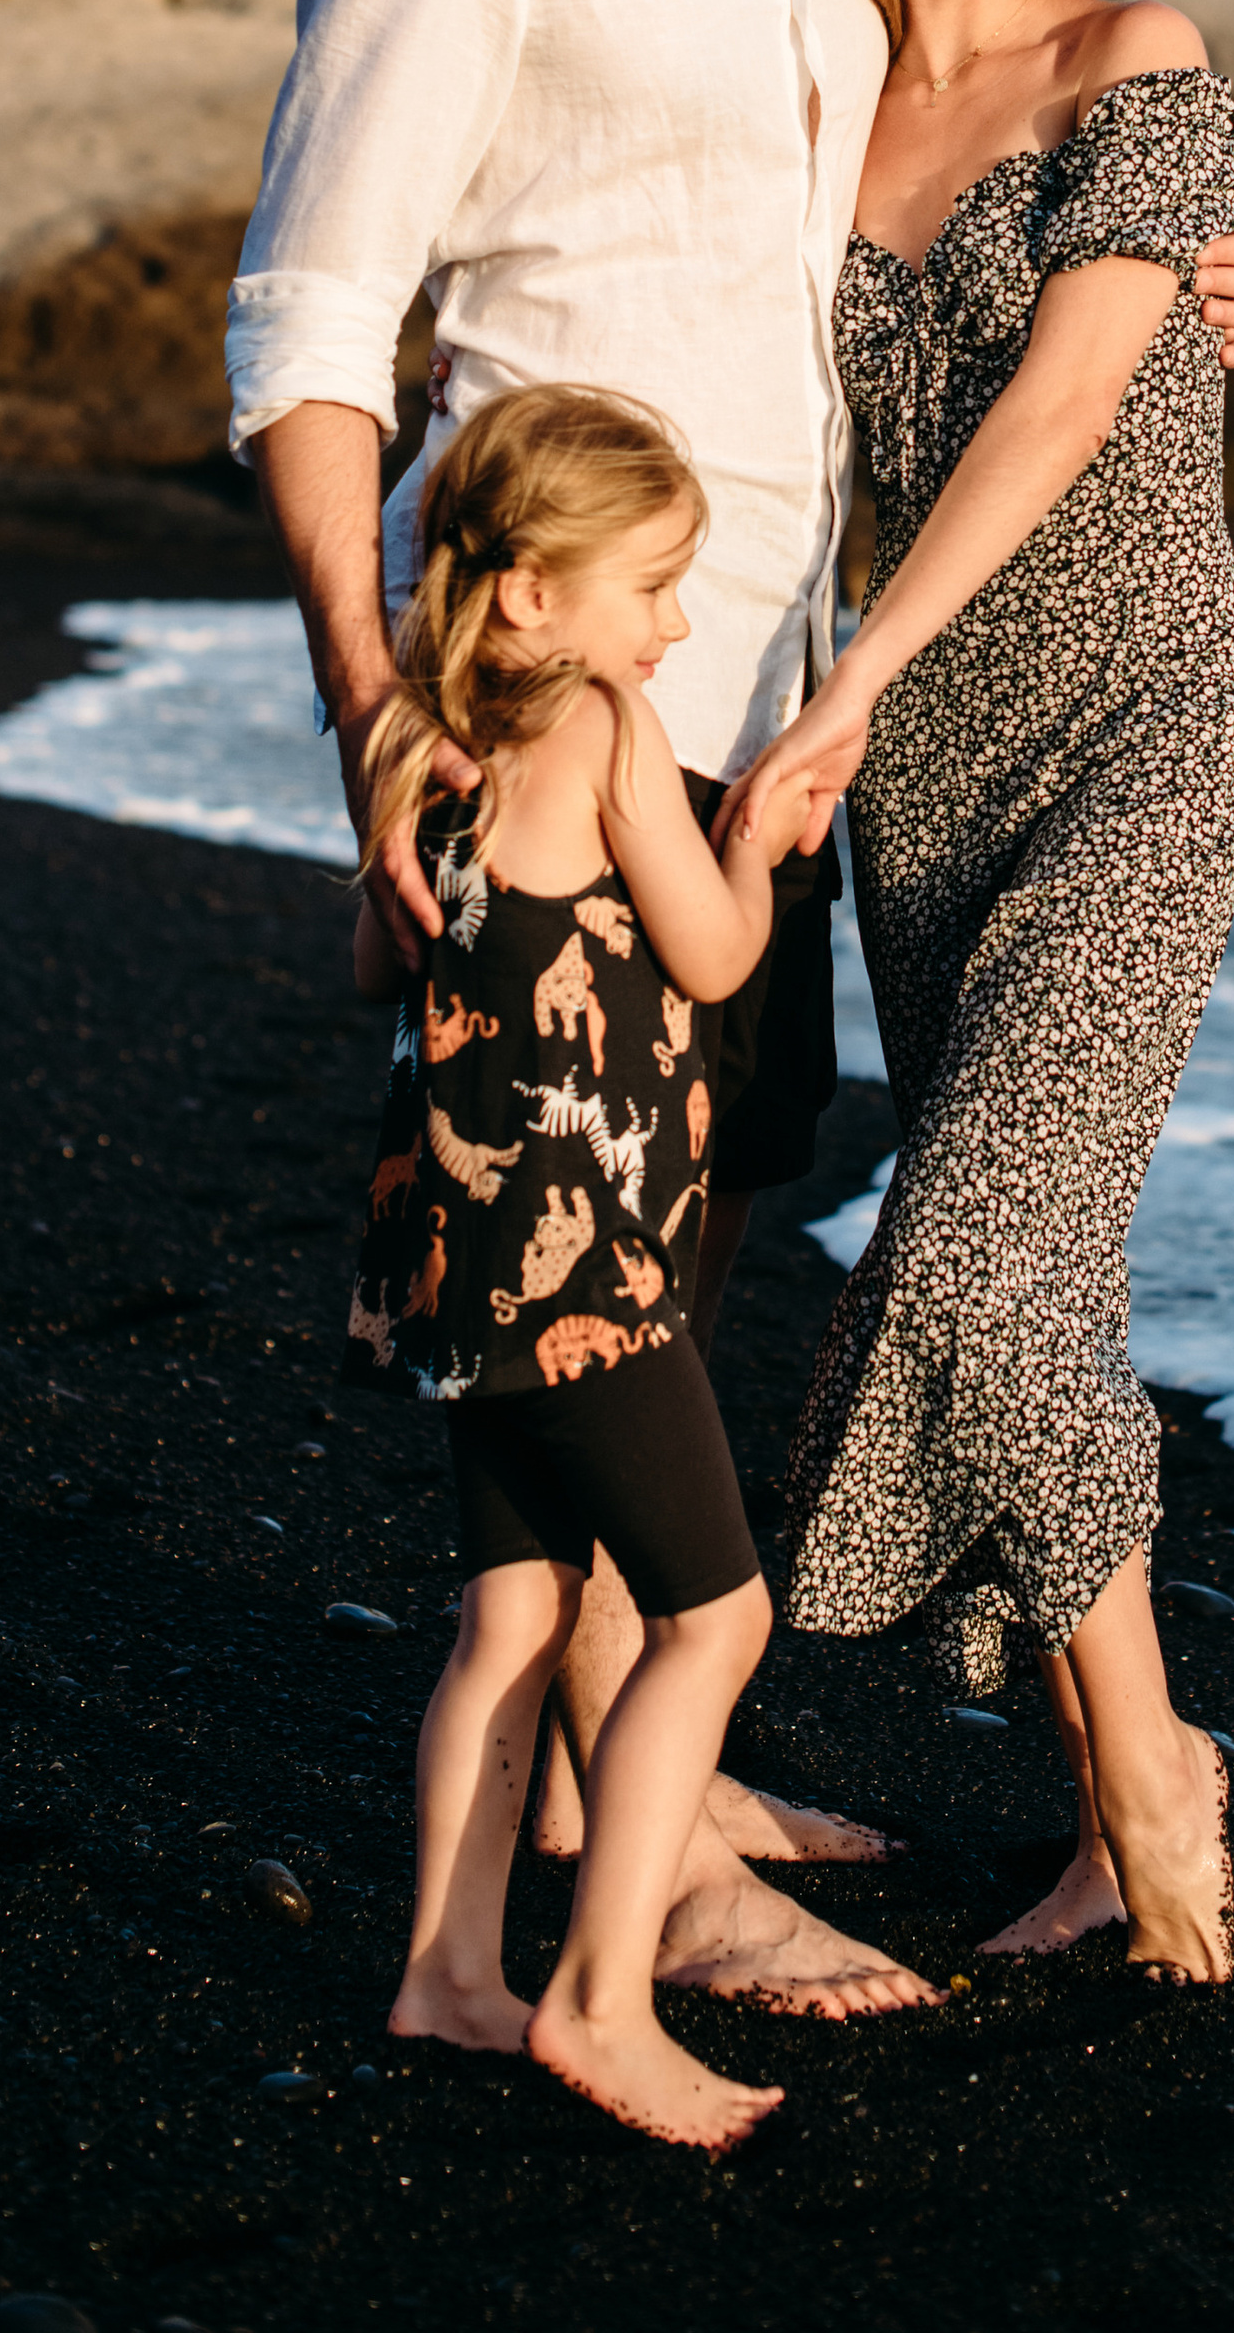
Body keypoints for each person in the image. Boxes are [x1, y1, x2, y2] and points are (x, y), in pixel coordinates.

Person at [227, 0, 1234, 2013]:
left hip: (792, 703)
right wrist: (372, 706)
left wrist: (1189, 264)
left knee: (676, 1235)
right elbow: (316, 325)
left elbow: (983, 193)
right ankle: (636, 1864)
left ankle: (646, 1772)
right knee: (591, 1256)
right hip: (584, 704)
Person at [723, 0, 1234, 1986]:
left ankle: (1157, 1774)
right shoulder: (808, 114)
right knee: (1039, 1273)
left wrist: (841, 677)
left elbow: (1057, 409)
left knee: (955, 1253)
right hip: (914, 788)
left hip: (1138, 719)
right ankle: (1089, 1806)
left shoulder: (1129, 60)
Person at [360, 385, 819, 2148]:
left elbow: (378, 970)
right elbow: (707, 961)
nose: (678, 624)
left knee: (512, 1617)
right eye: (652, 587)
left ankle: (448, 1971)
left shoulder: (423, 745)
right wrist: (756, 852)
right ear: (537, 596)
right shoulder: (611, 726)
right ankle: (605, 1999)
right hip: (585, 1269)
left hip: (449, 1263)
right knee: (717, 1616)